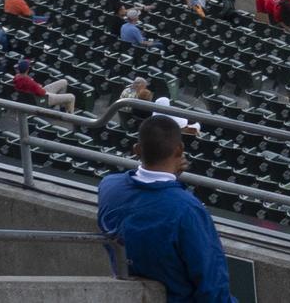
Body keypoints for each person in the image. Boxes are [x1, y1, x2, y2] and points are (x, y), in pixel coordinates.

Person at [96, 117, 234, 303]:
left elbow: (147, 198)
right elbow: (212, 286)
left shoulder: (108, 186)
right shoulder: (187, 209)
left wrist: (173, 179)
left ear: (137, 149)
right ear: (179, 150)